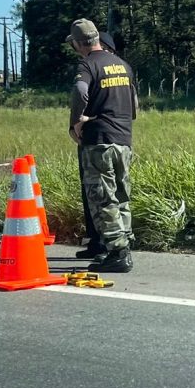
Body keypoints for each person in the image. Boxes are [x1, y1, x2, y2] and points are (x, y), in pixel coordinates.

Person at [66, 19, 138, 272]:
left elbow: (80, 89)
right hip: (123, 139)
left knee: (102, 199)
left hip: (98, 141)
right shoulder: (122, 65)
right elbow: (134, 104)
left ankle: (117, 253)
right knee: (121, 196)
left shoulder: (87, 65)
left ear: (77, 43)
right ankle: (123, 245)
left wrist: (77, 121)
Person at [74, 31, 118, 262]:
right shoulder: (117, 69)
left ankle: (110, 246)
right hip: (112, 138)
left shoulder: (96, 68)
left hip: (98, 137)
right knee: (92, 191)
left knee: (102, 193)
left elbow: (82, 94)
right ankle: (97, 241)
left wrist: (78, 122)